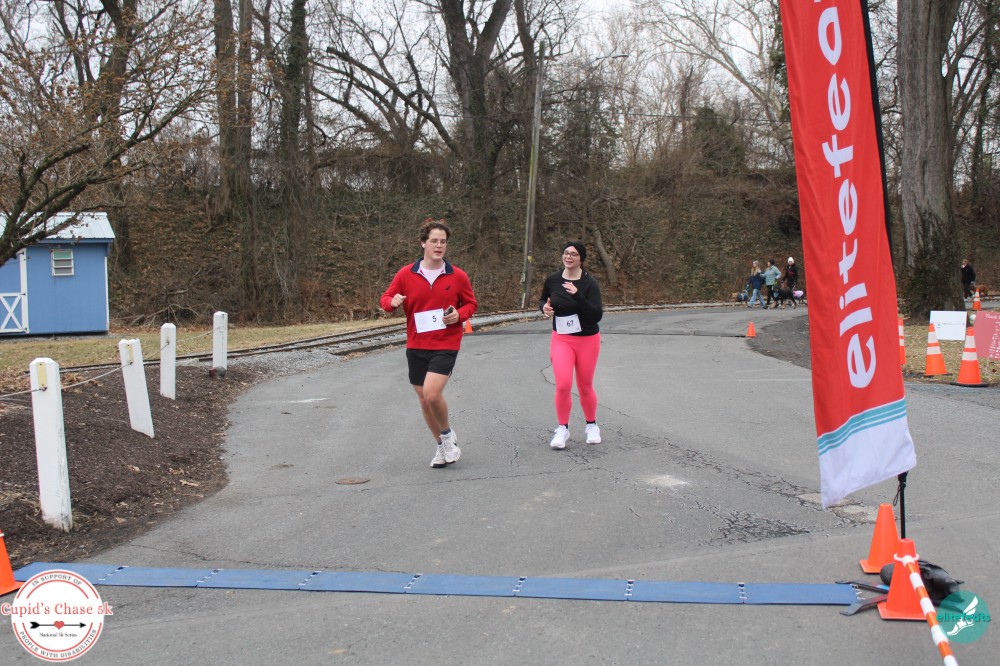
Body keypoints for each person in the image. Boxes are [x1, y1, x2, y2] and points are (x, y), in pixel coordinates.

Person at [380, 218, 478, 468]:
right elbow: (386, 298)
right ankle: (442, 446)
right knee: (423, 401)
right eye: (434, 241)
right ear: (423, 243)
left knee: (432, 394)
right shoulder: (406, 274)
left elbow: (471, 304)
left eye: (443, 242)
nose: (439, 246)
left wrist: (459, 314)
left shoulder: (457, 276)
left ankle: (446, 434)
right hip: (416, 344)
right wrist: (391, 303)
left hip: (446, 343)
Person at [539, 241, 604, 450]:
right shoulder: (553, 279)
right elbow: (543, 300)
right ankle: (562, 428)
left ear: (581, 259)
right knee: (563, 385)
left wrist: (577, 294)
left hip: (587, 340)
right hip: (562, 339)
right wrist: (544, 308)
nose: (568, 257)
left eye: (574, 254)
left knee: (585, 385)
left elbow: (596, 314)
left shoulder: (589, 283)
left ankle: (591, 425)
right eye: (566, 253)